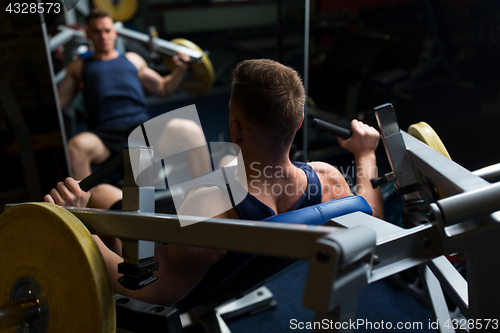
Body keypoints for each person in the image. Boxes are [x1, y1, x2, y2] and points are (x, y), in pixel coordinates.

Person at [45, 59, 383, 306]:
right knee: (112, 194)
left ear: (235, 128)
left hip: (171, 264)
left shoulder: (208, 208)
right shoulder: (329, 180)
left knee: (100, 196)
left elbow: (147, 290)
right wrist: (365, 154)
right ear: (298, 124)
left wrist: (76, 222)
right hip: (249, 256)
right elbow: (373, 218)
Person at [57, 8, 211, 204]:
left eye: (107, 30)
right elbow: (58, 103)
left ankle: (206, 199)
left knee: (190, 130)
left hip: (142, 128)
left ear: (114, 32)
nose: (103, 36)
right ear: (88, 34)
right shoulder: (79, 67)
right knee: (76, 147)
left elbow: (164, 88)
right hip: (105, 134)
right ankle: (91, 213)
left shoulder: (132, 60)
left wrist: (180, 70)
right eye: (97, 31)